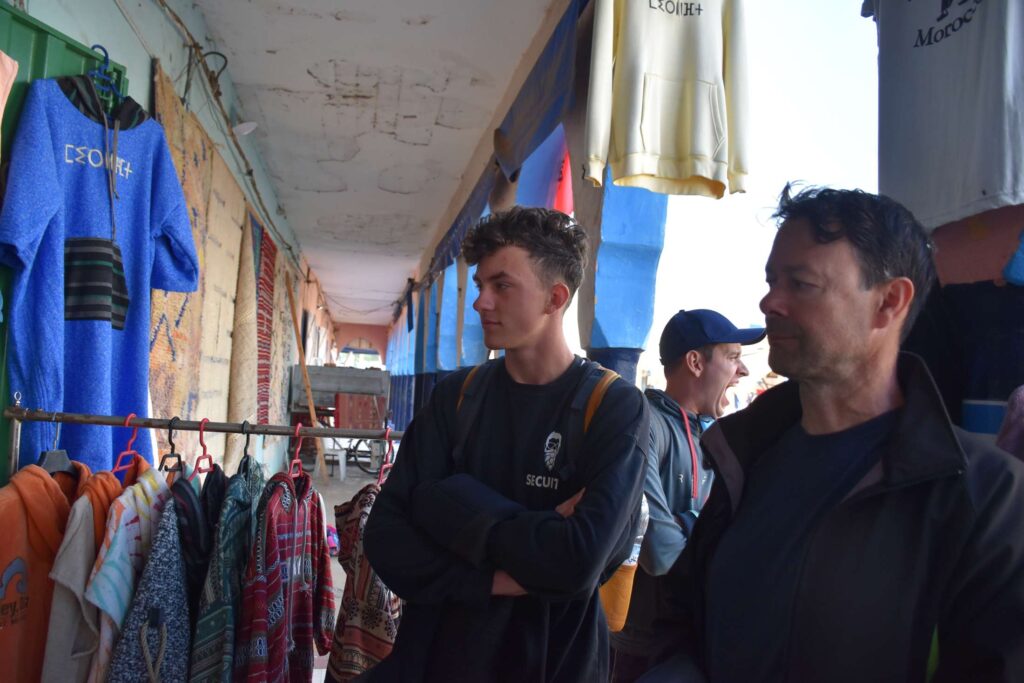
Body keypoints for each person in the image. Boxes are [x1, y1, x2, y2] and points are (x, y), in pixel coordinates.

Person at [655, 186, 1024, 682]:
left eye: (801, 283)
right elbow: (681, 626)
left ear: (888, 303)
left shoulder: (986, 497)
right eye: (772, 280)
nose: (769, 301)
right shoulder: (745, 455)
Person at [362, 206, 649, 682]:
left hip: (556, 660)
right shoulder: (457, 396)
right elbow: (386, 538)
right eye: (479, 286)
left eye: (501, 285)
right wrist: (493, 579)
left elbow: (578, 563)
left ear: (554, 297)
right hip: (442, 656)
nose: (481, 303)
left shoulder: (613, 406)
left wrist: (447, 506)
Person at [610, 309, 763, 682]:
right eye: (733, 357)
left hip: (694, 638)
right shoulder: (644, 425)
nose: (743, 370)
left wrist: (687, 524)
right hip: (640, 647)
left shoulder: (713, 436)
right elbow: (661, 552)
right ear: (695, 362)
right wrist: (707, 527)